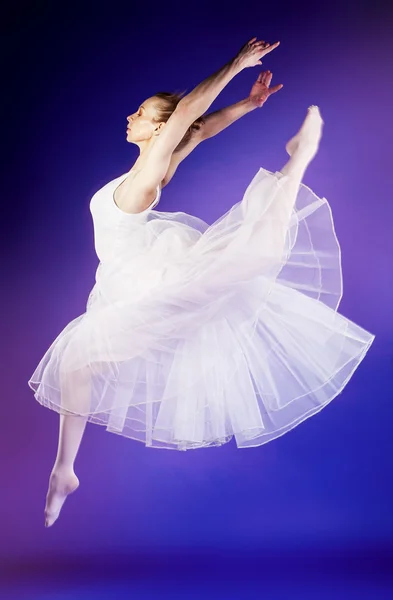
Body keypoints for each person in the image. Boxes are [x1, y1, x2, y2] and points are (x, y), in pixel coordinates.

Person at [28, 37, 375, 527]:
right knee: (78, 366)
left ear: (159, 128)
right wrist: (248, 105)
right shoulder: (153, 167)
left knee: (246, 257)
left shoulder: (149, 171)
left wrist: (236, 65)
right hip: (129, 282)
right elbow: (199, 129)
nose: (131, 117)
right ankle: (64, 471)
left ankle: (296, 162)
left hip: (150, 282)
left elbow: (189, 114)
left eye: (143, 113)